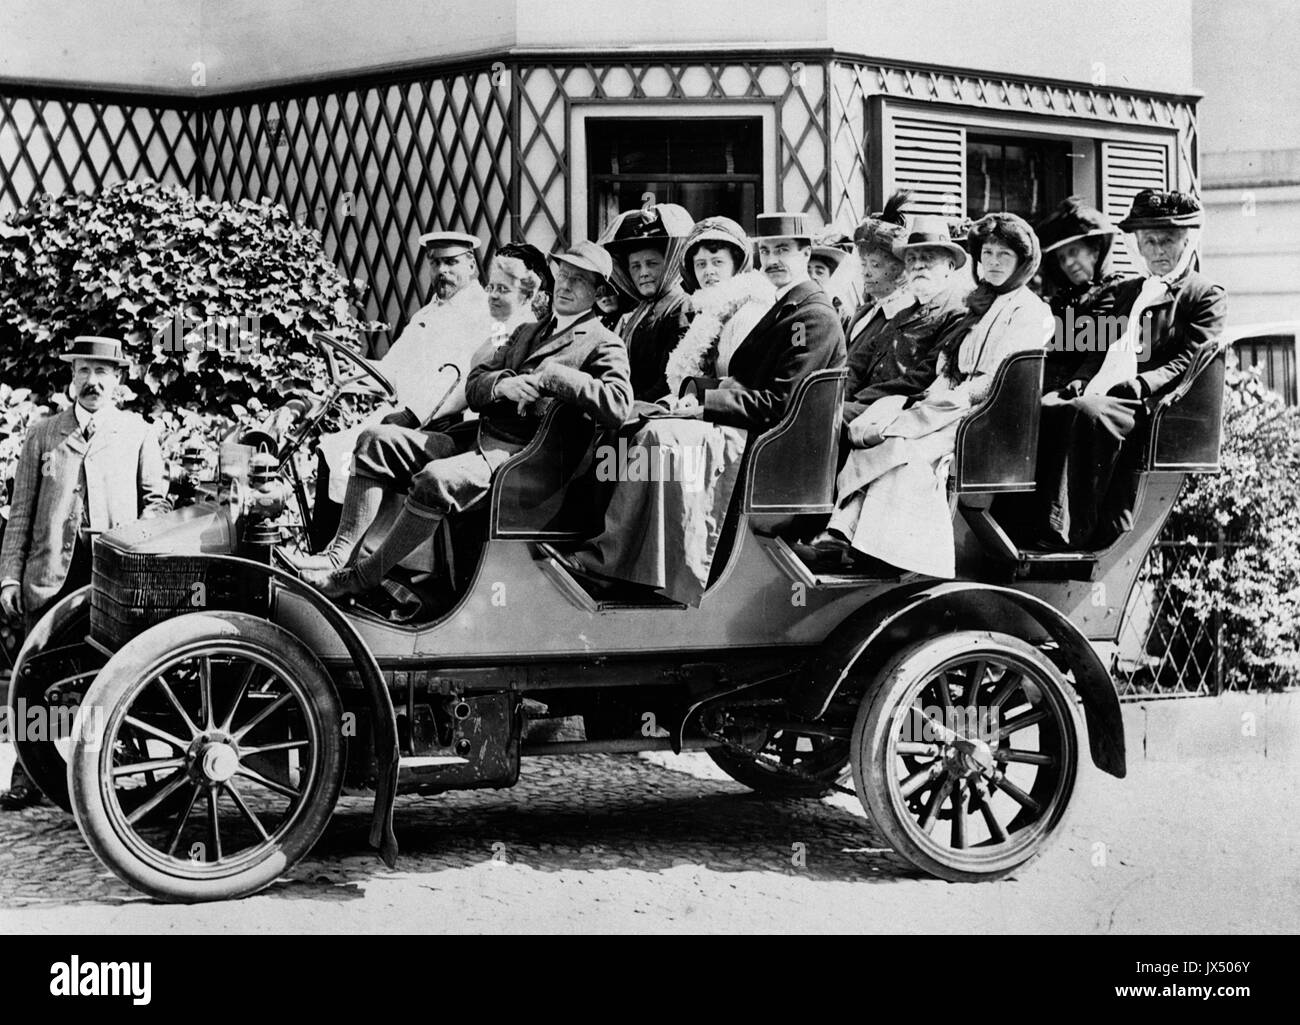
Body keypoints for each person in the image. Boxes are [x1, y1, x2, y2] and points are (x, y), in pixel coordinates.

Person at [300, 242, 633, 598]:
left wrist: (554, 377)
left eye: (579, 280)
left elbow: (618, 405)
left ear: (598, 293)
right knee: (375, 441)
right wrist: (504, 385)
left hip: (524, 462)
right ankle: (337, 558)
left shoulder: (603, 343)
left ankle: (363, 577)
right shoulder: (526, 331)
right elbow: (474, 384)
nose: (565, 286)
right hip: (477, 441)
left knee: (435, 479)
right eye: (563, 275)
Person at [560, 212, 846, 606]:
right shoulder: (783, 307)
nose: (774, 259)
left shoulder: (812, 315)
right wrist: (694, 400)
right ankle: (626, 558)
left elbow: (779, 403)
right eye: (768, 250)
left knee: (660, 438)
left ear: (806, 253)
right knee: (639, 427)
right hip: (750, 428)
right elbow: (748, 382)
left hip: (774, 448)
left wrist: (705, 407)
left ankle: (616, 563)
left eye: (784, 250)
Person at [809, 213, 1052, 577]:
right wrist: (931, 399)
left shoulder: (1031, 311)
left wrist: (946, 403)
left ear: (1022, 261)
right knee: (883, 435)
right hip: (950, 402)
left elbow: (999, 378)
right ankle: (846, 532)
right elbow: (947, 365)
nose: (994, 263)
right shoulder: (979, 303)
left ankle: (882, 548)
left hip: (987, 415)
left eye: (1005, 256)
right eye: (988, 254)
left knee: (905, 449)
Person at [0, 336, 171, 809]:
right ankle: (31, 772)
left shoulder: (137, 432)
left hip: (112, 573)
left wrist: (135, 547)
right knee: (39, 674)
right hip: (52, 573)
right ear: (71, 378)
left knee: (107, 671)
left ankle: (107, 765)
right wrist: (10, 578)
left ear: (117, 380)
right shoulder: (43, 434)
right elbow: (21, 513)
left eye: (102, 373)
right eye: (83, 372)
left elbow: (158, 505)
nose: (92, 382)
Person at [298, 231, 506, 565]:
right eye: (435, 263)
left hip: (444, 426)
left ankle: (341, 558)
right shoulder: (427, 315)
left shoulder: (482, 315)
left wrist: (411, 416)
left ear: (471, 265)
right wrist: (341, 376)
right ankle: (330, 554)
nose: (442, 271)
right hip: (402, 415)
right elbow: (392, 370)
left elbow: (462, 381)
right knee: (332, 447)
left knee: (343, 451)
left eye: (451, 263)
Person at [1034, 189, 1227, 548]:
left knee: (1088, 412)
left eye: (1167, 241)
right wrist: (1078, 379)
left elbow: (1191, 358)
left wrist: (1141, 383)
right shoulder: (1128, 290)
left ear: (1185, 241)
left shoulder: (1203, 295)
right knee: (1050, 405)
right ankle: (1042, 522)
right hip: (1109, 389)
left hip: (1149, 403)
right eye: (1148, 242)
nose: (1157, 251)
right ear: (1138, 246)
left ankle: (1080, 531)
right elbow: (1099, 348)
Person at [840, 191, 969, 427]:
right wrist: (837, 396)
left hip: (902, 413)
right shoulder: (903, 313)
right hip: (867, 408)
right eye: (912, 258)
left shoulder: (957, 314)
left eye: (927, 258)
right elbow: (859, 362)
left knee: (822, 420)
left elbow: (925, 377)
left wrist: (858, 400)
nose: (918, 265)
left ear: (950, 266)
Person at [662, 216, 774, 398]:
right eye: (700, 264)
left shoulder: (750, 311)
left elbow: (746, 384)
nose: (709, 271)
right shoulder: (707, 313)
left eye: (718, 262)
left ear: (736, 266)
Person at [1035, 196, 1134, 393]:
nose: (1068, 263)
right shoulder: (1065, 300)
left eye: (1073, 252)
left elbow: (1099, 350)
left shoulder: (1115, 292)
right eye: (1062, 258)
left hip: (1086, 388)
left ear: (1095, 251)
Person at [599, 203, 695, 401]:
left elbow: (667, 384)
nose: (643, 273)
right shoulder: (640, 310)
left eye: (651, 264)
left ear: (669, 265)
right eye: (635, 266)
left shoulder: (682, 309)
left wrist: (624, 408)